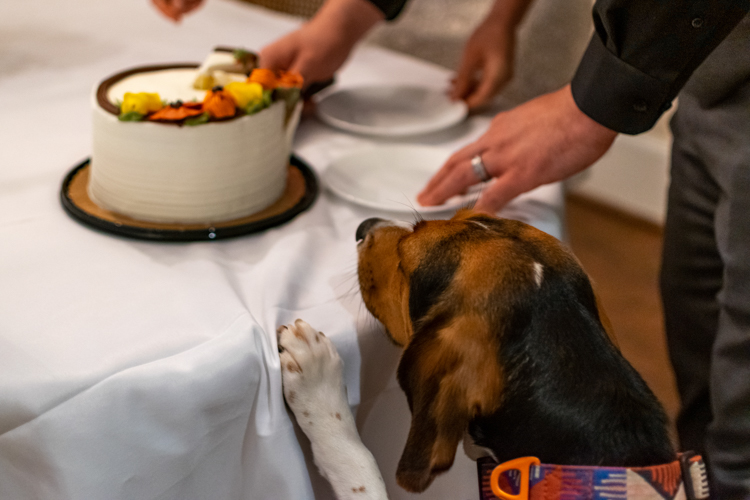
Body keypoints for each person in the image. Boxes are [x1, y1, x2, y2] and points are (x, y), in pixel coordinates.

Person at [154, 0, 750, 496]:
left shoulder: (457, 363)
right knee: (708, 387)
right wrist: (354, 15)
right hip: (713, 68)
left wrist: (593, 102)